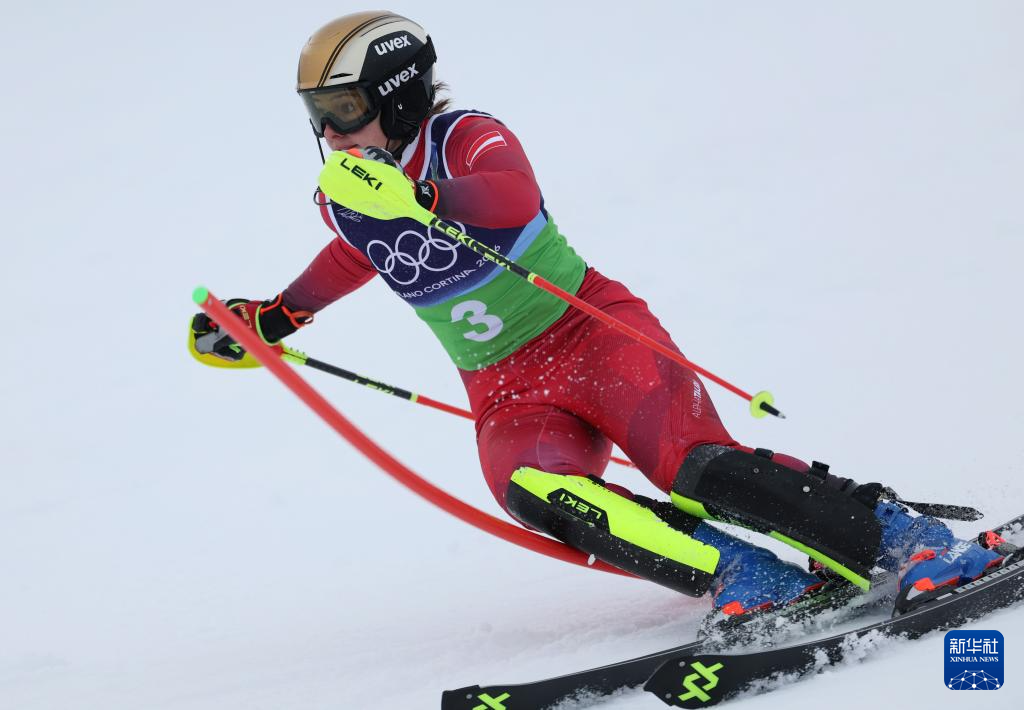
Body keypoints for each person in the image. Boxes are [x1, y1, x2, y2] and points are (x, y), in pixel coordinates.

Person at [190, 11, 1012, 627]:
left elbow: (511, 198)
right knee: (531, 488)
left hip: (593, 336)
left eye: (343, 107)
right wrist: (276, 317)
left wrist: (422, 195)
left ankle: (905, 539)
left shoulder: (465, 137)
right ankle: (747, 576)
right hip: (506, 386)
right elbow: (355, 254)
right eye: (317, 113)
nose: (329, 132)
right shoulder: (346, 191)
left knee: (690, 465)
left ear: (397, 95)